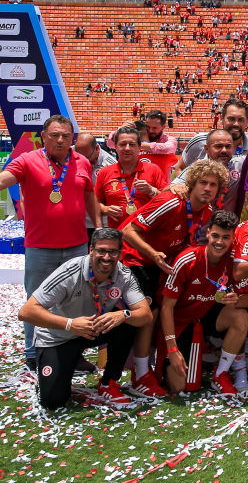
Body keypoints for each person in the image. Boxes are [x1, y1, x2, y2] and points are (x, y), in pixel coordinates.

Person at [120, 159, 229, 396]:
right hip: (136, 259)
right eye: (203, 183)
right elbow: (127, 231)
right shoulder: (170, 201)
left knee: (162, 310)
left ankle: (153, 368)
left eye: (213, 184)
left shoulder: (208, 212)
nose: (208, 189)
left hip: (161, 263)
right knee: (149, 314)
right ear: (191, 183)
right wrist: (152, 254)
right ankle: (140, 374)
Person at [0, 115, 99, 370]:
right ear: (44, 137)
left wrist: (97, 229)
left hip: (76, 245)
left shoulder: (82, 163)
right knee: (36, 300)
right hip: (40, 247)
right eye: (54, 135)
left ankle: (72, 353)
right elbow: (5, 179)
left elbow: (90, 197)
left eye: (66, 136)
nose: (60, 140)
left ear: (72, 139)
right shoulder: (27, 160)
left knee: (76, 301)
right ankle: (33, 353)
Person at [18, 227, 152, 408]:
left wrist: (123, 314)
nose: (106, 257)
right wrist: (70, 324)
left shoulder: (124, 274)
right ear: (91, 250)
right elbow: (26, 312)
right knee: (53, 401)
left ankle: (108, 382)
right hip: (59, 337)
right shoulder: (70, 271)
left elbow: (145, 315)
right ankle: (53, 374)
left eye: (112, 252)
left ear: (120, 253)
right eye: (101, 251)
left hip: (91, 330)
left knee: (127, 321)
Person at [157, 210, 248, 395]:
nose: (219, 242)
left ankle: (221, 373)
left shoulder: (233, 261)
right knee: (180, 387)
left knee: (240, 315)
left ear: (233, 239)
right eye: (215, 235)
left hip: (207, 315)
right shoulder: (188, 259)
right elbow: (167, 307)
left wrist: (237, 299)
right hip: (181, 322)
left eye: (225, 237)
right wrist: (172, 349)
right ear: (208, 233)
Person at [96, 125, 167, 228]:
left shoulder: (153, 170)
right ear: (115, 146)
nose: (127, 148)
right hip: (117, 236)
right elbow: (95, 203)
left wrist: (152, 191)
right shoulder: (105, 172)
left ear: (139, 147)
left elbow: (167, 201)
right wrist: (104, 209)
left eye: (132, 144)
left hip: (147, 235)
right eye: (123, 144)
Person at [178, 98, 248, 168]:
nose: (236, 124)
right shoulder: (200, 142)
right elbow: (180, 168)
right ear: (222, 119)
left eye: (241, 120)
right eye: (231, 119)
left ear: (247, 122)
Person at [186, 128, 246, 216]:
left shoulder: (239, 165)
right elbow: (173, 187)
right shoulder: (196, 169)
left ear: (233, 148)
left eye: (228, 146)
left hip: (228, 226)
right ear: (206, 149)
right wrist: (178, 186)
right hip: (200, 226)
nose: (224, 150)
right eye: (218, 146)